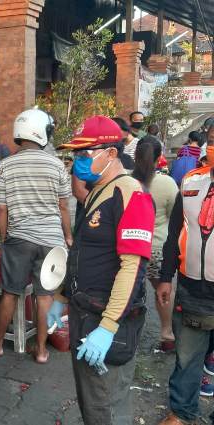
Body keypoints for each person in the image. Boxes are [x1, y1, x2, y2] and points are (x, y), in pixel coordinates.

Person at [48, 115, 155, 425]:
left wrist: (108, 328)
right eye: (75, 155)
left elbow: (132, 268)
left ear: (111, 153)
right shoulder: (97, 192)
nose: (77, 162)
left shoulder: (131, 195)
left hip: (109, 322)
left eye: (85, 154)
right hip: (85, 315)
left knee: (108, 408)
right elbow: (83, 251)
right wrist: (61, 296)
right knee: (91, 405)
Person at [0, 109, 72, 363]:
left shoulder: (5, 165)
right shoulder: (56, 165)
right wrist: (68, 235)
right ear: (42, 132)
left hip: (19, 239)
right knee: (45, 296)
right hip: (51, 240)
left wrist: (3, 239)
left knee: (10, 291)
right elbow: (63, 206)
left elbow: (1, 208)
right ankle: (41, 351)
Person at [157, 131, 214, 425]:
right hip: (192, 287)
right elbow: (175, 231)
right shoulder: (192, 181)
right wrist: (165, 276)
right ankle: (181, 411)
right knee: (188, 354)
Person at [132, 136, 178, 352]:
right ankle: (167, 333)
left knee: (129, 290)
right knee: (162, 291)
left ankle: (126, 333)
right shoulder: (167, 183)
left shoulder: (126, 180)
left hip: (131, 248)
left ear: (135, 155)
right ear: (160, 157)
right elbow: (175, 217)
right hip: (157, 248)